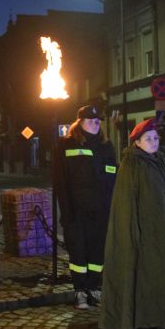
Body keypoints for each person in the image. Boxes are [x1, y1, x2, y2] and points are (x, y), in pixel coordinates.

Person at [99, 118, 165, 329]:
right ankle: (147, 321)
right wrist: (136, 233)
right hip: (146, 232)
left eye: (155, 138)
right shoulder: (132, 165)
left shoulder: (162, 161)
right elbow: (126, 203)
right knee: (148, 275)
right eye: (148, 139)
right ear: (137, 142)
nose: (154, 142)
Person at [53, 104, 117, 309]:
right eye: (91, 121)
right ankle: (80, 291)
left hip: (101, 211)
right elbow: (60, 181)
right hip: (76, 211)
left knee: (97, 254)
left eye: (98, 121)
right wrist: (67, 211)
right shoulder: (66, 144)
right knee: (78, 253)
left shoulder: (106, 146)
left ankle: (94, 289)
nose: (95, 124)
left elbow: (113, 178)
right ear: (79, 122)